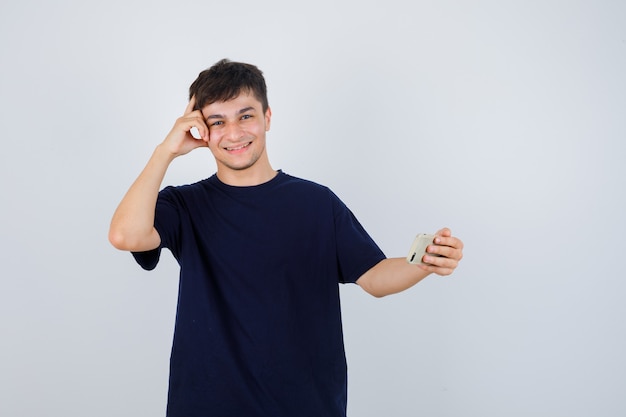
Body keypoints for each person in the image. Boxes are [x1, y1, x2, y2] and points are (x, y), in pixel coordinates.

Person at [108, 58, 464, 417]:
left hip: (305, 405)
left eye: (245, 116)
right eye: (218, 122)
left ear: (267, 118)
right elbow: (125, 235)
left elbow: (374, 276)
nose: (233, 133)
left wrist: (426, 261)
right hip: (206, 405)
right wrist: (165, 150)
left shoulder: (316, 203)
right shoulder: (184, 205)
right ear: (201, 131)